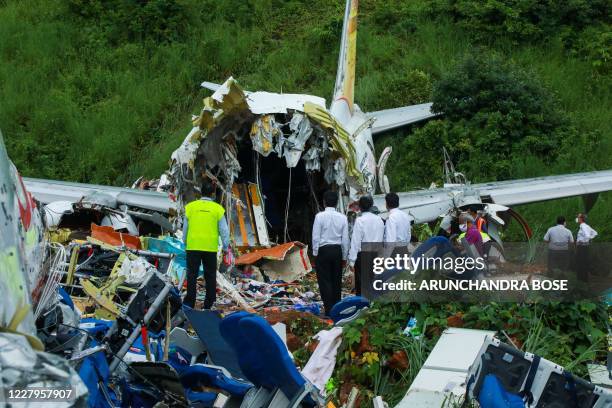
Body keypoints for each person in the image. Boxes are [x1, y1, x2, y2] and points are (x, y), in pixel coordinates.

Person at [183, 180, 230, 309]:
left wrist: (185, 241)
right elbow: (224, 231)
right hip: (210, 248)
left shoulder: (190, 207)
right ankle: (209, 304)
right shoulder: (218, 209)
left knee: (191, 275)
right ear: (213, 194)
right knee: (210, 276)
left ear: (200, 192)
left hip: (193, 247)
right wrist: (226, 247)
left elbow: (185, 228)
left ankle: (189, 303)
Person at [312, 191, 349, 315]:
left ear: (324, 202)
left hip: (323, 250)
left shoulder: (319, 216)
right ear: (337, 203)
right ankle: (337, 308)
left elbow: (315, 237)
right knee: (336, 280)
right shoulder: (343, 217)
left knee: (325, 281)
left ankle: (329, 310)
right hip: (337, 250)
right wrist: (344, 256)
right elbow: (345, 240)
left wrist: (315, 253)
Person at [348, 195, 384, 296]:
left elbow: (355, 241)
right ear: (372, 205)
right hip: (375, 254)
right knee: (374, 281)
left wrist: (352, 260)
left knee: (361, 284)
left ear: (360, 207)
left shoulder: (360, 220)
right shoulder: (379, 220)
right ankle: (373, 306)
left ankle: (362, 306)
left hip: (362, 255)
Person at [575, 213, 597, 282]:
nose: (577, 218)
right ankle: (584, 279)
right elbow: (595, 233)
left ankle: (581, 279)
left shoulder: (583, 226)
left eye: (578, 217)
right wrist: (589, 238)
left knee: (580, 263)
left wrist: (586, 240)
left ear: (581, 219)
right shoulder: (587, 226)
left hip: (581, 247)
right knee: (584, 262)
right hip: (584, 247)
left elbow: (587, 236)